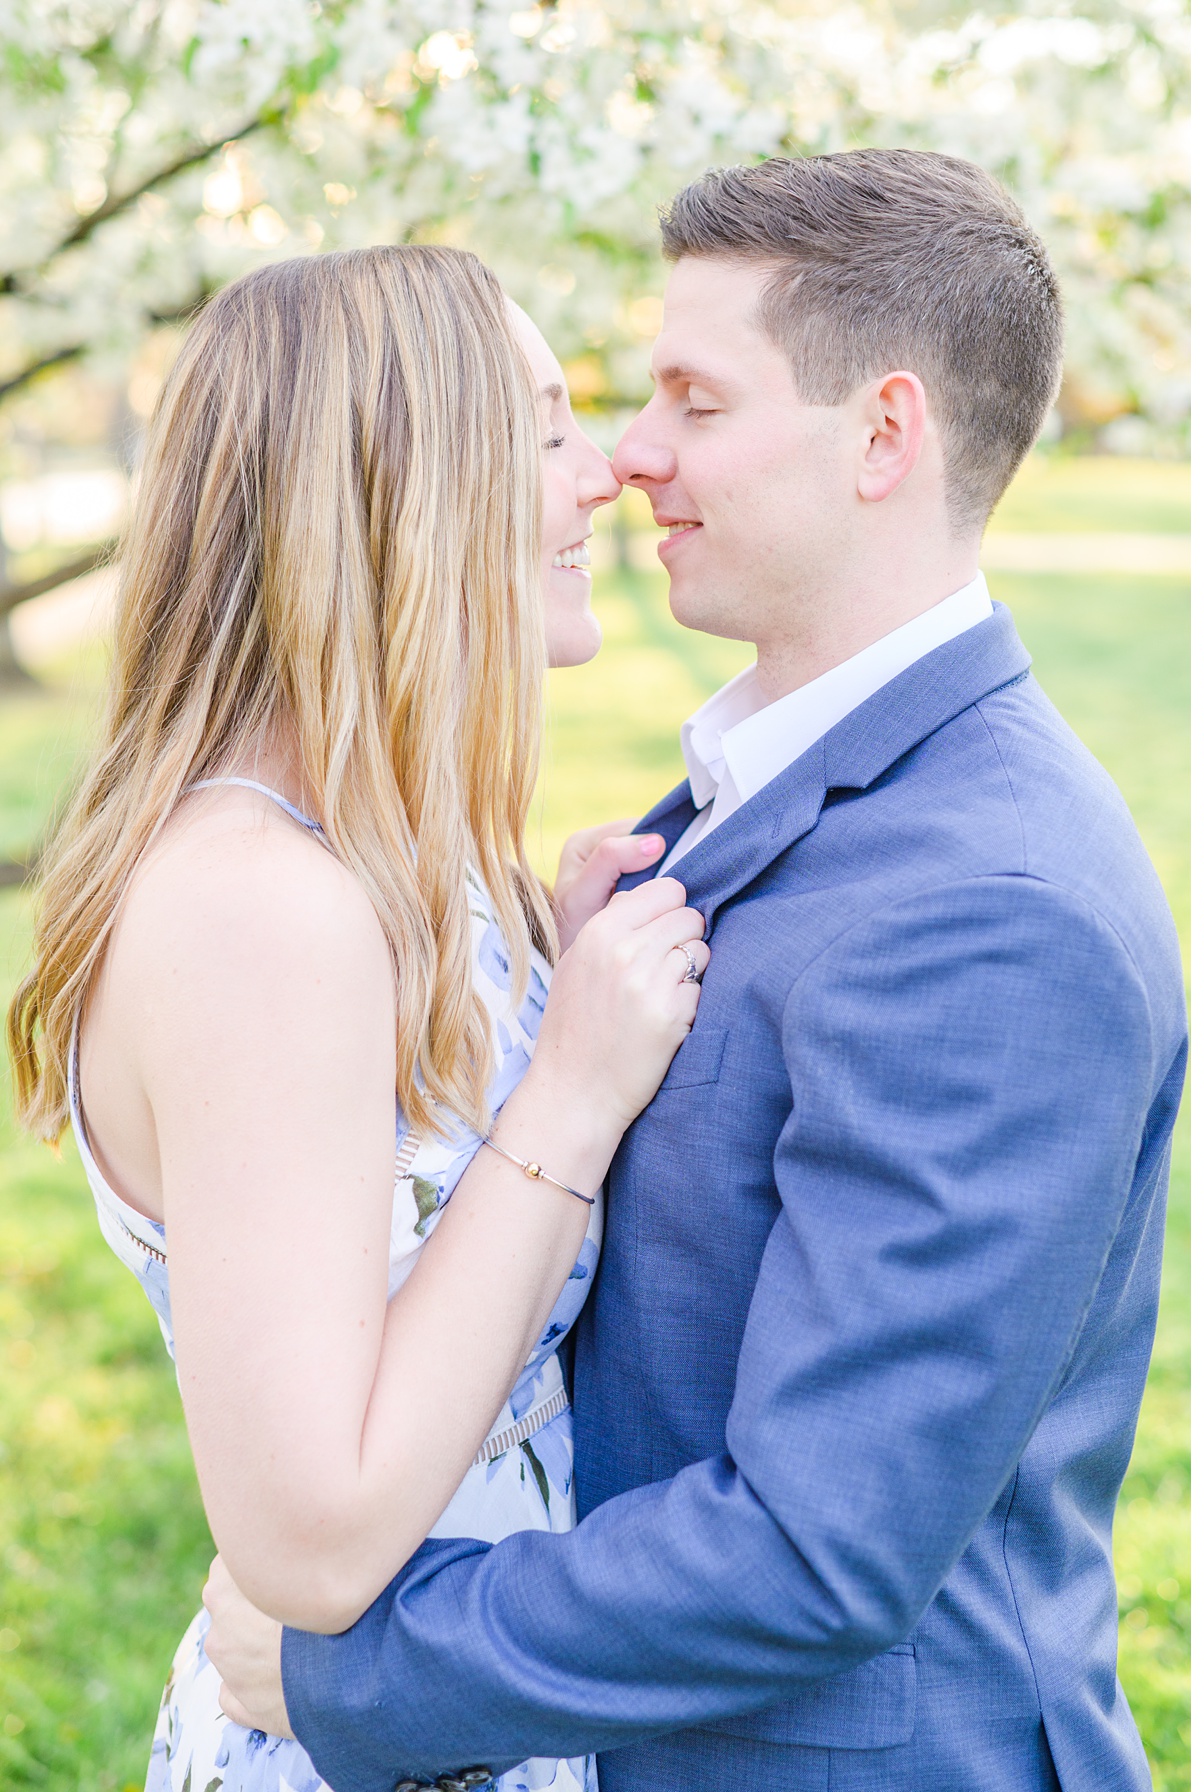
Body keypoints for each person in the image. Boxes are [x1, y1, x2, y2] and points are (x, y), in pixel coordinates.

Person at [203, 149, 1185, 1792]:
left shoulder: (997, 910)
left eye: (694, 402)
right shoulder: (749, 797)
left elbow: (820, 1546)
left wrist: (355, 1668)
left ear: (884, 434)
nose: (630, 455)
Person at [4, 245, 702, 1792]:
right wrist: (569, 1094)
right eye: (541, 430)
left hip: (466, 1710)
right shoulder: (257, 909)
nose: (604, 476)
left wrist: (539, 968)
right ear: (401, 491)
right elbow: (313, 1539)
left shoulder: (396, 862)